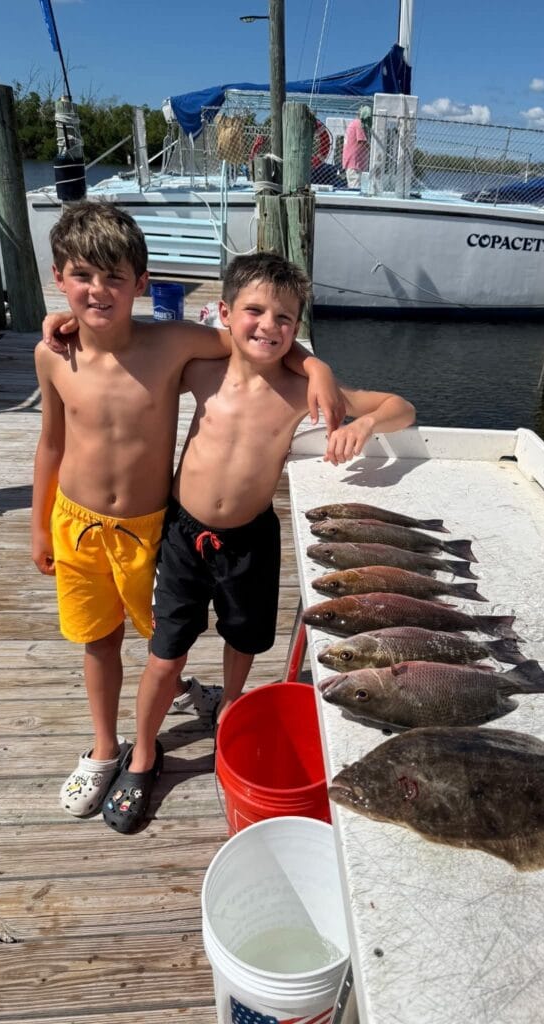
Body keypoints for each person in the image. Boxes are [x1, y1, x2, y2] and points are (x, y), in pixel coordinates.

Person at [32, 201, 343, 823]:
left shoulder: (173, 343)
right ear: (59, 279)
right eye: (83, 276)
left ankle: (184, 699)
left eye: (115, 277)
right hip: (76, 522)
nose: (99, 290)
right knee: (98, 640)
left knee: (161, 638)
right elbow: (52, 442)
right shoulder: (52, 355)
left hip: (154, 526)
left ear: (141, 285)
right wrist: (40, 523)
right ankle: (104, 746)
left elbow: (254, 340)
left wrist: (316, 365)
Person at [100, 250, 416, 834]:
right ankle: (143, 751)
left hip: (250, 541)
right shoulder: (201, 368)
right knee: (166, 655)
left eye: (284, 319)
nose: (268, 326)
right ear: (224, 312)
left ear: (297, 329)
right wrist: (65, 323)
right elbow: (128, 340)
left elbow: (402, 407)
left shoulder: (303, 393)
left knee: (243, 641)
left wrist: (359, 421)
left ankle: (229, 709)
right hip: (183, 536)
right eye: (254, 312)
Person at [342, 105, 372, 188]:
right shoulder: (359, 124)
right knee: (355, 188)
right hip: (355, 164)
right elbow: (363, 141)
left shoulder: (354, 123)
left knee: (355, 186)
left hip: (353, 164)